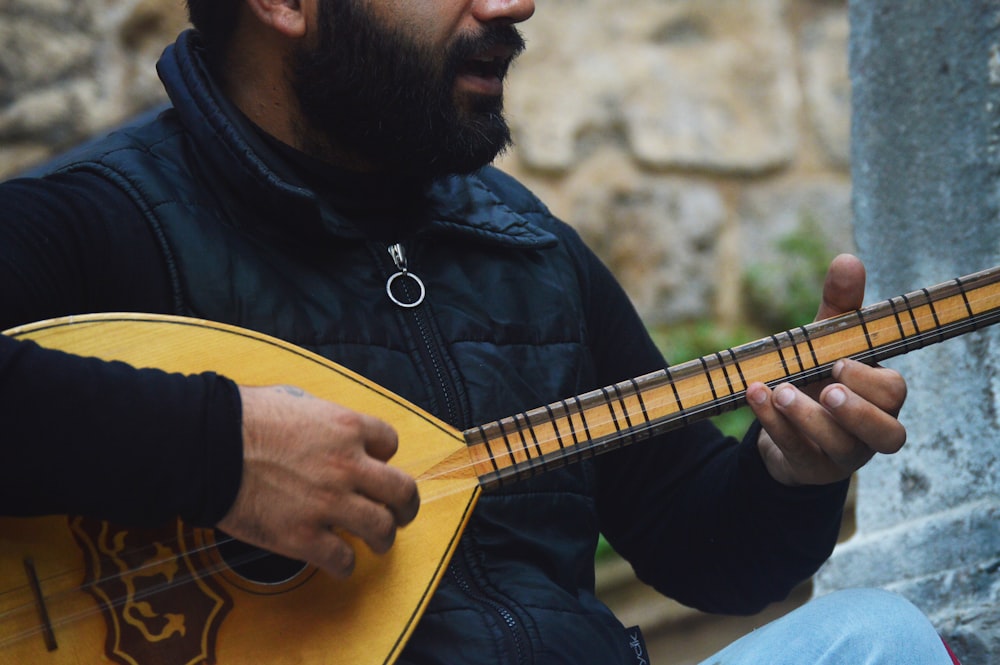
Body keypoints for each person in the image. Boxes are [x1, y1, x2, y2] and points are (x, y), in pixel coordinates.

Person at [0, 0, 955, 663]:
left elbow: (704, 548)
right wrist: (219, 450)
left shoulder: (522, 241)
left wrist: (792, 470)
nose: (514, 8)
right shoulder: (98, 220)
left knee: (885, 640)